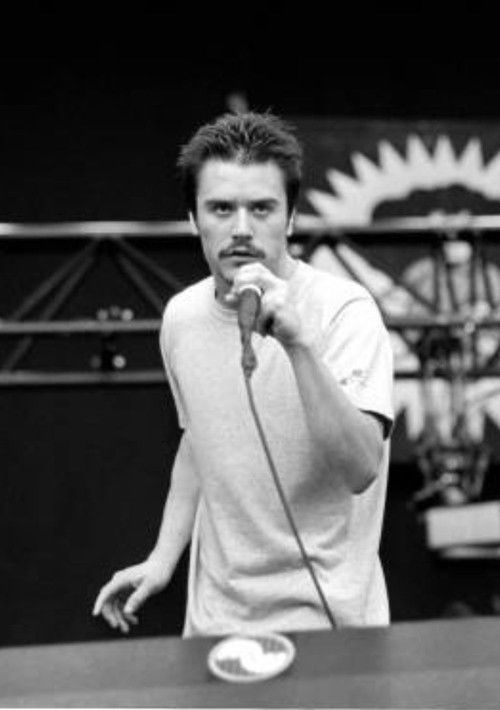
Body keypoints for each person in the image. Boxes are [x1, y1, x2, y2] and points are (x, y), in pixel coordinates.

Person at [93, 112, 394, 637]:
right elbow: (199, 441)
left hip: (332, 625)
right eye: (221, 208)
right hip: (216, 625)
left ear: (290, 218)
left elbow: (360, 467)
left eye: (261, 208)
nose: (240, 228)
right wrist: (163, 557)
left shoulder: (345, 310)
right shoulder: (182, 317)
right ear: (193, 219)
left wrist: (298, 345)